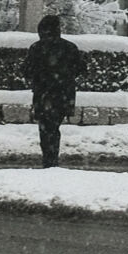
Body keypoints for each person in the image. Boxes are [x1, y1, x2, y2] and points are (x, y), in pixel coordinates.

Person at [20, 14, 85, 168]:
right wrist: (65, 77)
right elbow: (81, 69)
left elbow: (27, 71)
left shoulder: (37, 48)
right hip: (63, 94)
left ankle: (48, 159)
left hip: (43, 94)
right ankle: (53, 158)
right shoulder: (70, 47)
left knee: (45, 128)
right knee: (55, 127)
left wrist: (41, 77)